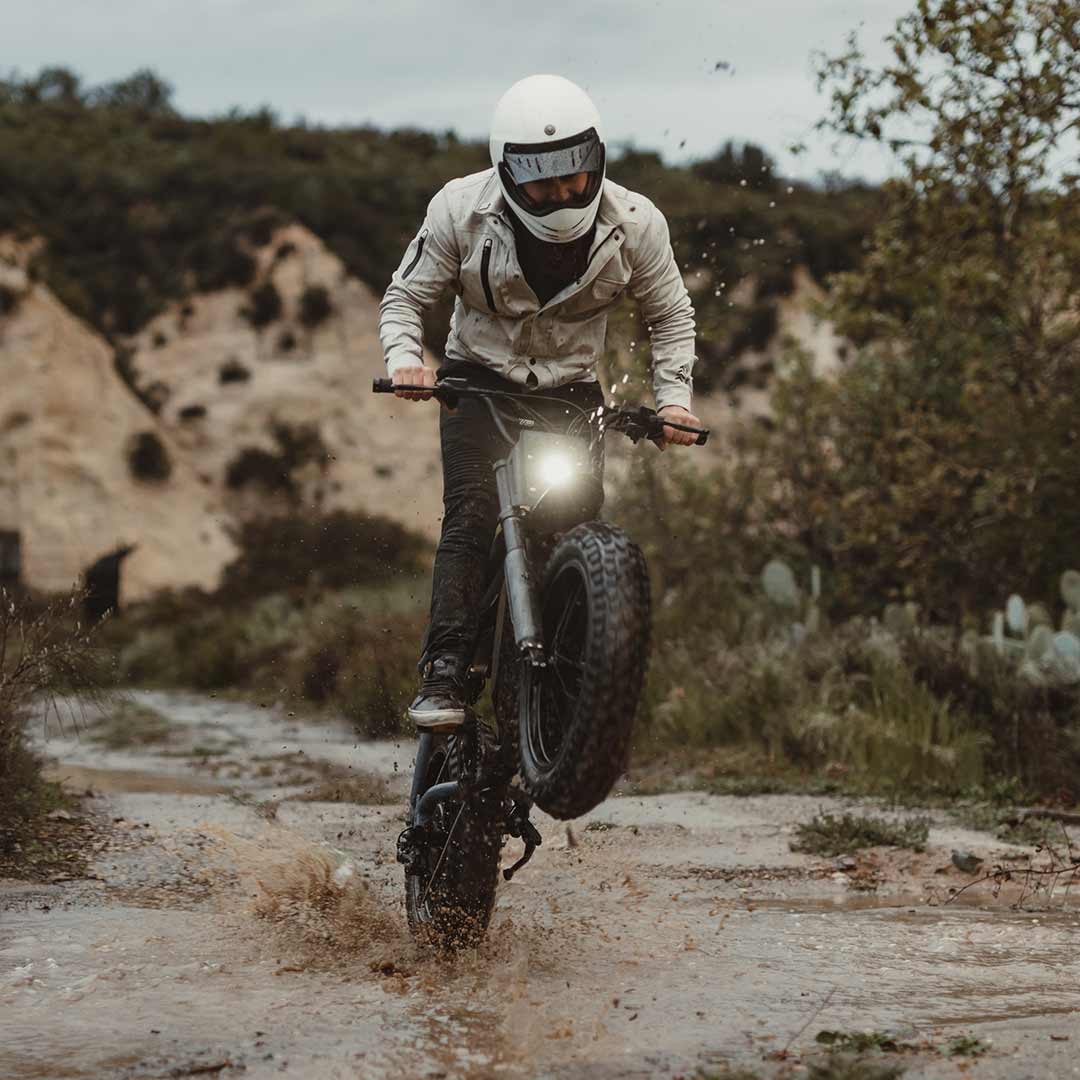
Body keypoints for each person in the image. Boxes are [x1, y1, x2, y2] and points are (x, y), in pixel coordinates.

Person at [379, 74, 700, 731]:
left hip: (572, 391)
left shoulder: (636, 223)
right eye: (540, 180)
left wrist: (673, 401)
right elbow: (406, 298)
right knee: (469, 516)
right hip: (476, 380)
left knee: (575, 531)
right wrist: (407, 363)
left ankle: (565, 698)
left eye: (572, 175)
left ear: (595, 158)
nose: (559, 192)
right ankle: (443, 674)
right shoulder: (459, 209)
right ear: (506, 171)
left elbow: (672, 317)